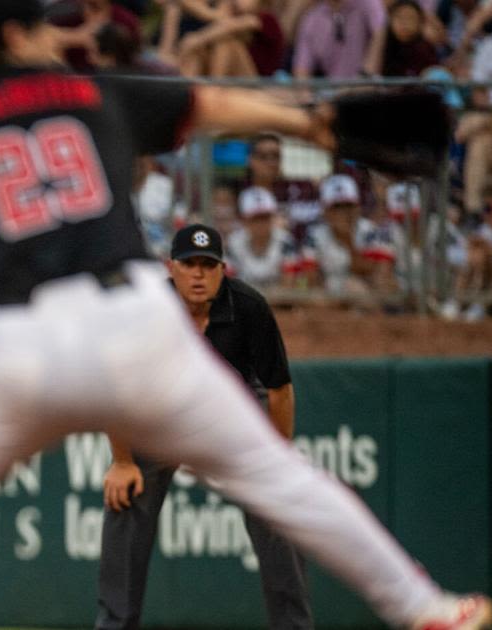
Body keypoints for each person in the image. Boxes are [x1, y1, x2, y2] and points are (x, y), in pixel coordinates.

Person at [0, 1, 492, 629]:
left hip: (15, 347)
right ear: (27, 36)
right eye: (45, 25)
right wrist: (310, 121)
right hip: (136, 322)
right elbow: (208, 104)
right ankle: (424, 606)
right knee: (278, 476)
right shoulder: (88, 90)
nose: (56, 35)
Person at [95, 224, 312, 630]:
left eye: (209, 265)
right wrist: (122, 461)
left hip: (233, 415)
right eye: (189, 264)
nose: (199, 274)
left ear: (222, 270)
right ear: (170, 268)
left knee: (280, 507)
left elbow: (280, 390)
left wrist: (277, 463)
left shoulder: (248, 307)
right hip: (160, 416)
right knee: (125, 491)